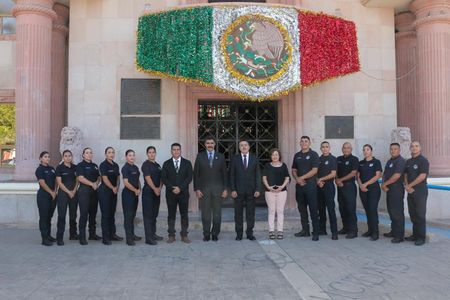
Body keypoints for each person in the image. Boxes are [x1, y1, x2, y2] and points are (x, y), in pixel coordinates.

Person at [194, 137, 228, 242]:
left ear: (215, 144)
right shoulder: (200, 156)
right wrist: (197, 189)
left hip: (218, 190)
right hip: (204, 190)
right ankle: (206, 234)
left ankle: (215, 234)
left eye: (212, 143)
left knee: (217, 213)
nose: (210, 145)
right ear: (205, 145)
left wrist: (225, 189)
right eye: (208, 143)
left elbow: (224, 174)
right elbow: (196, 174)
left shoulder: (221, 157)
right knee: (205, 214)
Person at [161, 143, 193, 244]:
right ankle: (171, 235)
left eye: (178, 149)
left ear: (180, 151)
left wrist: (180, 188)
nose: (176, 151)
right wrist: (172, 188)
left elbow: (189, 177)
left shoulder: (187, 163)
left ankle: (184, 235)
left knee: (184, 214)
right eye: (174, 149)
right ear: (171, 151)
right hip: (171, 194)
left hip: (183, 193)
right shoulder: (166, 164)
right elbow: (164, 178)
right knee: (171, 215)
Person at [229, 140, 261, 241]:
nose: (243, 147)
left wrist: (258, 189)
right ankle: (239, 234)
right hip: (238, 191)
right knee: (238, 214)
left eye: (245, 145)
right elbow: (231, 175)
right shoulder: (234, 159)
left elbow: (258, 175)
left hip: (251, 191)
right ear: (239, 148)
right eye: (241, 145)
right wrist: (233, 189)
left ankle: (249, 233)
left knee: (250, 214)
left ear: (249, 147)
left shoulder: (254, 158)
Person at [292, 136, 320, 241]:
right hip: (299, 187)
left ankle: (315, 232)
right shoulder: (297, 155)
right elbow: (293, 169)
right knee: (302, 209)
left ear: (309, 143)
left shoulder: (314, 154)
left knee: (313, 209)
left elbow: (314, 170)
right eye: (302, 141)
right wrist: (297, 179)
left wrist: (301, 178)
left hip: (310, 186)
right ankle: (305, 230)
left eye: (306, 141)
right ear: (300, 143)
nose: (304, 143)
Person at [404, 141, 429, 246]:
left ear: (420, 148)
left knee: (420, 215)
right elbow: (405, 174)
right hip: (410, 191)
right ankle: (415, 235)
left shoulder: (423, 161)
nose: (414, 148)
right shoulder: (408, 161)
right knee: (412, 214)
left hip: (420, 191)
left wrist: (410, 186)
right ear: (410, 148)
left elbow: (422, 176)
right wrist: (407, 185)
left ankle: (421, 238)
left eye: (416, 146)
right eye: (412, 146)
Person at [262, 148, 290, 240]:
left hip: (281, 191)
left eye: (276, 154)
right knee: (271, 211)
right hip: (269, 191)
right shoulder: (267, 165)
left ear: (279, 156)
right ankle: (271, 231)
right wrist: (268, 187)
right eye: (273, 155)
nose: (275, 156)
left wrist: (282, 186)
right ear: (271, 156)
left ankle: (280, 231)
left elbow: (287, 178)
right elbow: (264, 178)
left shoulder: (283, 165)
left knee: (280, 211)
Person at [381, 143, 406, 243]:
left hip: (397, 189)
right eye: (391, 149)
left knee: (397, 212)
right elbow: (385, 174)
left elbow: (396, 176)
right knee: (391, 211)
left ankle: (399, 236)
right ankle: (394, 231)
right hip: (389, 189)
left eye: (395, 149)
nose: (393, 151)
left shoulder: (401, 161)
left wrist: (384, 184)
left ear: (399, 150)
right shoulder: (390, 161)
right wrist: (383, 183)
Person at [98, 147, 123, 245]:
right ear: (106, 154)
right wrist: (113, 187)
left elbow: (118, 177)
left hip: (113, 192)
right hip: (104, 192)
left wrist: (116, 187)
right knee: (105, 215)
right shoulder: (103, 165)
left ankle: (113, 234)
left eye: (113, 152)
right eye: (109, 152)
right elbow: (104, 178)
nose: (111, 154)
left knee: (112, 214)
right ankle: (105, 237)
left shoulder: (116, 165)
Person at [76, 147, 101, 245]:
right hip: (84, 192)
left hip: (94, 192)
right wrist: (92, 184)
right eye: (87, 153)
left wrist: (96, 183)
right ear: (83, 155)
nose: (89, 154)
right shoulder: (80, 165)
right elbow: (80, 178)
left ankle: (92, 234)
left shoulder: (95, 166)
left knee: (93, 214)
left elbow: (99, 177)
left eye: (91, 153)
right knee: (84, 214)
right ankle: (82, 237)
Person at [357, 144, 382, 241]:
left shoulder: (376, 162)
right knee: (367, 210)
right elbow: (357, 176)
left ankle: (375, 233)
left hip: (373, 190)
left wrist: (365, 184)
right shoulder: (360, 163)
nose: (365, 151)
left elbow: (377, 176)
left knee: (372, 210)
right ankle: (370, 230)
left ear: (371, 151)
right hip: (363, 190)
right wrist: (361, 185)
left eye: (367, 149)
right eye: (364, 150)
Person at [335, 142, 359, 239]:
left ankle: (353, 231)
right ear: (342, 149)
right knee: (342, 208)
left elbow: (353, 173)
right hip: (340, 186)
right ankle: (345, 228)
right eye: (344, 148)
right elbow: (335, 171)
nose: (346, 149)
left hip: (350, 187)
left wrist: (340, 180)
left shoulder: (354, 159)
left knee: (350, 209)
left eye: (348, 148)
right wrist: (337, 180)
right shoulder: (338, 159)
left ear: (351, 149)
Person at [141, 146, 164, 245]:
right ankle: (148, 238)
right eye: (149, 152)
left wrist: (159, 188)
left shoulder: (158, 165)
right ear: (147, 154)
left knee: (154, 214)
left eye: (153, 152)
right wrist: (155, 189)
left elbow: (162, 178)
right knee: (148, 215)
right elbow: (147, 178)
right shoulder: (145, 164)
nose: (151, 154)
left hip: (157, 192)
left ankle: (153, 234)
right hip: (148, 192)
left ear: (155, 153)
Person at [55, 150, 78, 245]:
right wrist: (69, 192)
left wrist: (74, 191)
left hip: (73, 193)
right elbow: (59, 182)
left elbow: (77, 180)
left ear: (71, 157)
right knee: (62, 215)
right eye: (66, 156)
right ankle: (59, 237)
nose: (68, 157)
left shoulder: (75, 167)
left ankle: (73, 234)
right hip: (63, 194)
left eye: (69, 156)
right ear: (63, 157)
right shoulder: (59, 168)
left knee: (73, 215)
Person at [317, 141, 338, 240]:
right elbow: (315, 173)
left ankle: (334, 232)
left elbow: (333, 174)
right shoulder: (318, 159)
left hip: (329, 186)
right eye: (323, 147)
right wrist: (318, 181)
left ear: (329, 148)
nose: (325, 148)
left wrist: (322, 179)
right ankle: (322, 229)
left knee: (331, 209)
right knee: (321, 209)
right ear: (321, 148)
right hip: (319, 187)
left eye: (326, 147)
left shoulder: (333, 159)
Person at [35, 151, 57, 246]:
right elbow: (42, 183)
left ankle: (48, 235)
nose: (47, 158)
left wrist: (55, 191)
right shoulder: (39, 169)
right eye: (45, 157)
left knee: (49, 217)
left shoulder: (52, 168)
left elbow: (56, 180)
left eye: (48, 156)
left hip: (52, 195)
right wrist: (51, 192)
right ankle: (44, 239)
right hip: (43, 196)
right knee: (44, 217)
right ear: (40, 158)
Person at [121, 149, 142, 246]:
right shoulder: (125, 168)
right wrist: (135, 190)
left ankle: (132, 235)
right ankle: (129, 239)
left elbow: (137, 180)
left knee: (132, 216)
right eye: (130, 155)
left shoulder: (136, 167)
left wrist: (139, 189)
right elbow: (126, 182)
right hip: (128, 195)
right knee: (128, 217)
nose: (132, 157)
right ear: (126, 157)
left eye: (133, 155)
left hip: (135, 194)